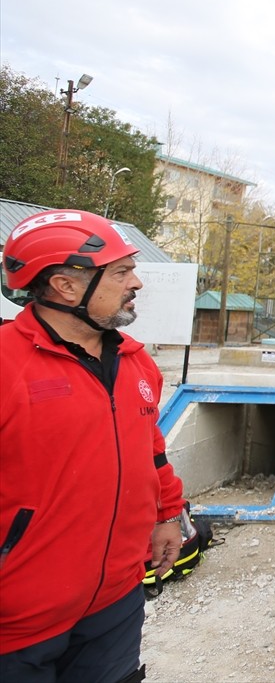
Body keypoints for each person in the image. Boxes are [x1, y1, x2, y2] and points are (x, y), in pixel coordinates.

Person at [0, 209, 186, 683]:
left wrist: (168, 516)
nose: (136, 283)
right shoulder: (6, 365)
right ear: (66, 286)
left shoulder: (135, 361)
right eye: (122, 272)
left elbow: (152, 450)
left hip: (115, 604)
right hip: (17, 624)